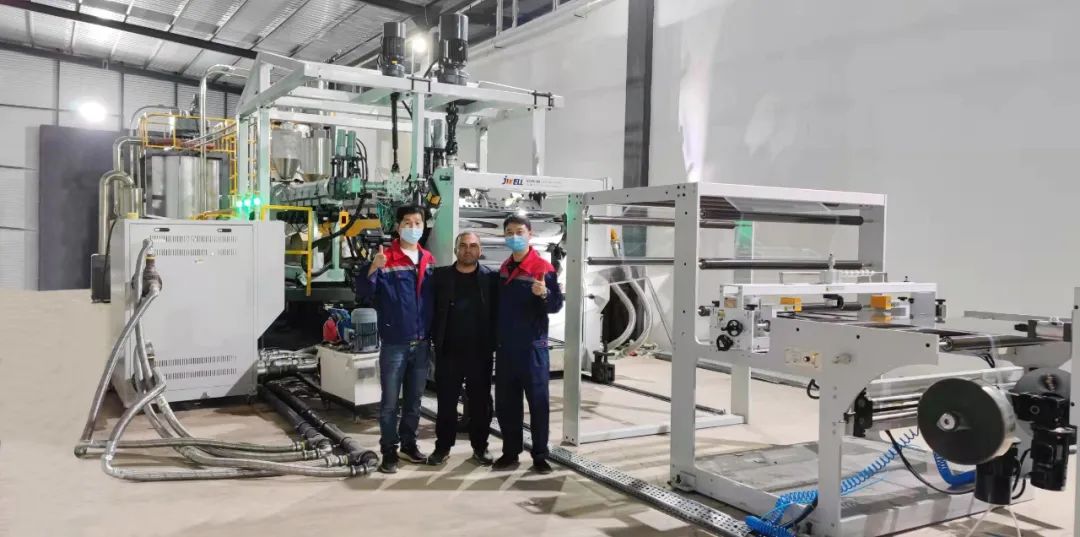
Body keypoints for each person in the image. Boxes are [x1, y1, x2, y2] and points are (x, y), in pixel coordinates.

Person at [355, 205, 435, 474]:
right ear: (398, 227)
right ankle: (389, 450)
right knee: (390, 403)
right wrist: (372, 268)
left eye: (417, 222)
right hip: (395, 344)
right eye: (407, 223)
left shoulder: (428, 259)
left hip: (422, 343)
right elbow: (364, 292)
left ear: (424, 226)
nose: (413, 227)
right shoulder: (386, 258)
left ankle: (408, 445)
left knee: (414, 402)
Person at [492, 215, 563, 474]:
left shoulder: (543, 268)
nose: (514, 236)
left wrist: (544, 293)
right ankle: (510, 452)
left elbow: (556, 305)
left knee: (538, 404)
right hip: (506, 347)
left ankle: (540, 456)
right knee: (506, 404)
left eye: (519, 231)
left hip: (533, 347)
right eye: (509, 232)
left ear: (530, 234)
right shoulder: (504, 268)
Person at [427, 231, 498, 466]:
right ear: (456, 249)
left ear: (480, 250)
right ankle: (442, 447)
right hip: (449, 352)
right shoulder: (440, 277)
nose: (468, 250)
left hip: (480, 352)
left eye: (473, 245)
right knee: (446, 403)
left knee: (480, 403)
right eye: (464, 245)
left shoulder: (491, 278)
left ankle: (480, 447)